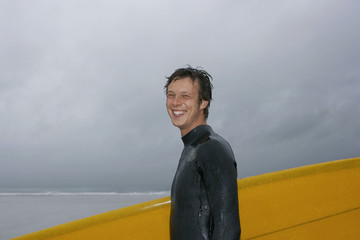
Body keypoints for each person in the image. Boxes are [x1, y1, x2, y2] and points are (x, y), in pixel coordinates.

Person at [165, 66, 241, 240]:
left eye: (185, 96)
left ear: (203, 102)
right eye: (171, 95)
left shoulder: (211, 148)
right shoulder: (192, 149)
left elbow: (228, 228)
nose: (176, 102)